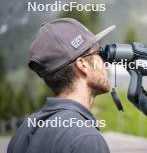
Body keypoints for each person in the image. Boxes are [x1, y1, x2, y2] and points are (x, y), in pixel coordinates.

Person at [7, 18, 116, 153]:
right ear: (83, 65)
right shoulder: (85, 139)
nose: (105, 61)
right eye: (99, 52)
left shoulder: (23, 131)